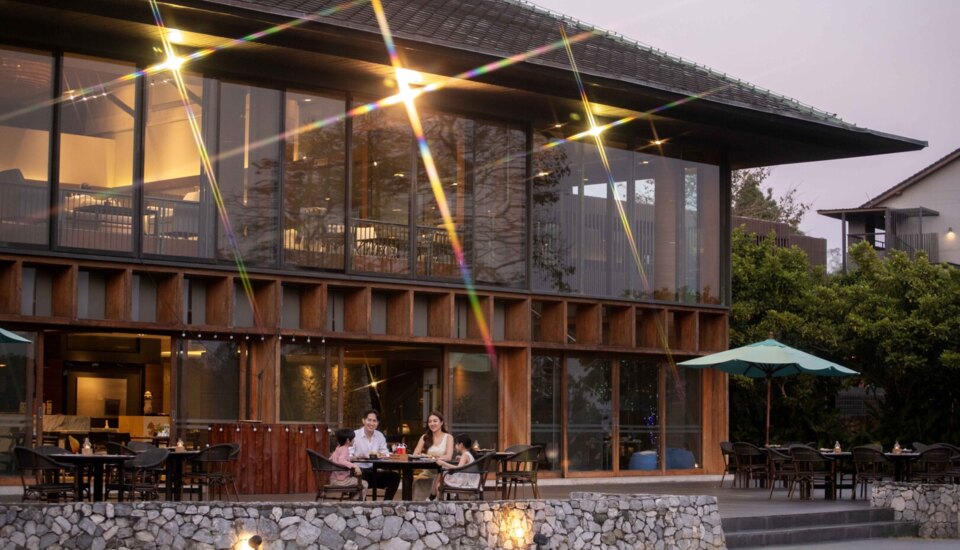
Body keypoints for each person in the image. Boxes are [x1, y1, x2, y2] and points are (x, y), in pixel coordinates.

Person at [352, 409, 400, 500]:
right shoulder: (355, 435)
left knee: (395, 477)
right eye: (369, 420)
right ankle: (363, 505)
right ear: (363, 421)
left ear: (377, 423)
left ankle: (386, 504)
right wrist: (359, 456)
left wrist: (386, 454)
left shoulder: (379, 436)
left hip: (375, 470)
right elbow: (348, 456)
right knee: (361, 476)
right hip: (359, 471)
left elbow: (385, 454)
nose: (371, 423)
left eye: (374, 421)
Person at [411, 411, 454, 499]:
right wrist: (422, 455)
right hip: (428, 472)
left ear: (441, 422)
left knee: (439, 481)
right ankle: (419, 505)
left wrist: (433, 457)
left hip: (443, 472)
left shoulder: (448, 437)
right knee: (418, 481)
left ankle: (432, 499)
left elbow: (449, 456)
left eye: (435, 421)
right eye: (430, 421)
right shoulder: (425, 437)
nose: (432, 424)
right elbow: (415, 454)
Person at [430, 434, 480, 500]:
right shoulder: (467, 454)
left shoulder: (465, 455)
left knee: (440, 476)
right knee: (439, 478)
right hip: (469, 480)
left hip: (465, 481)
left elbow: (458, 468)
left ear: (461, 445)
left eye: (456, 444)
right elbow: (465, 464)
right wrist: (461, 458)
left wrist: (443, 463)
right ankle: (435, 497)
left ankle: (435, 498)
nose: (455, 446)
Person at [330, 428, 367, 500]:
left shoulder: (338, 448)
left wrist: (354, 457)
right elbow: (341, 460)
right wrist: (354, 466)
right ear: (348, 440)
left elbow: (338, 459)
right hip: (342, 481)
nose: (354, 441)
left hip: (334, 479)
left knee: (357, 481)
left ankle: (353, 501)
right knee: (364, 484)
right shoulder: (345, 449)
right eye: (353, 439)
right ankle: (355, 503)